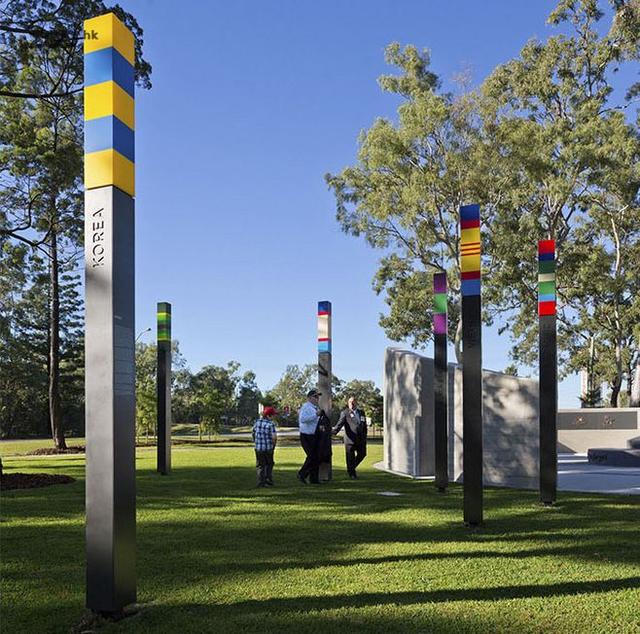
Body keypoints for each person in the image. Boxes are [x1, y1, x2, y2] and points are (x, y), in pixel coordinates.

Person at [333, 397, 367, 479]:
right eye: (350, 402)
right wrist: (332, 432)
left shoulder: (361, 412)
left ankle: (350, 468)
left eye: (353, 402)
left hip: (360, 439)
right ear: (348, 404)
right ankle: (352, 474)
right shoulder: (345, 413)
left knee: (362, 454)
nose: (351, 404)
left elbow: (364, 425)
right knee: (350, 458)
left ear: (356, 403)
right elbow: (339, 424)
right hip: (350, 440)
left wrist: (365, 435)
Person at [297, 388, 322, 484]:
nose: (317, 398)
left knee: (316, 457)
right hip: (306, 436)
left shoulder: (315, 408)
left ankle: (314, 479)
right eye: (315, 396)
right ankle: (302, 474)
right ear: (309, 398)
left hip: (314, 435)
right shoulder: (306, 407)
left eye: (318, 397)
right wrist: (316, 415)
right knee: (312, 456)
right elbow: (303, 419)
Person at [252, 406, 277, 487]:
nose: (274, 417)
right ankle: (268, 479)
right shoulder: (271, 424)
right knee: (269, 464)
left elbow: (253, 433)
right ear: (268, 416)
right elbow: (274, 437)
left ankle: (261, 482)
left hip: (258, 448)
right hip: (268, 448)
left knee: (260, 465)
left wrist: (256, 442)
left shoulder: (257, 422)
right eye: (273, 415)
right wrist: (274, 446)